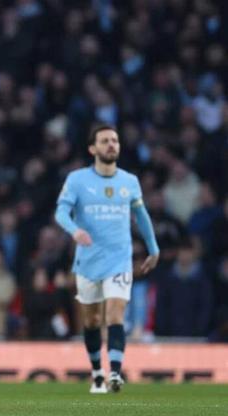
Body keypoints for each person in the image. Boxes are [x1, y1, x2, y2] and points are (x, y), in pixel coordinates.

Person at [55, 125, 159, 394]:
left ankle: (115, 372)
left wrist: (153, 247)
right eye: (105, 141)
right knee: (91, 321)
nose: (111, 144)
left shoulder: (129, 181)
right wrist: (75, 231)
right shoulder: (77, 180)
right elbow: (61, 213)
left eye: (115, 140)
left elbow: (141, 215)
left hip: (119, 260)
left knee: (115, 314)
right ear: (93, 149)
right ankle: (97, 373)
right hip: (88, 262)